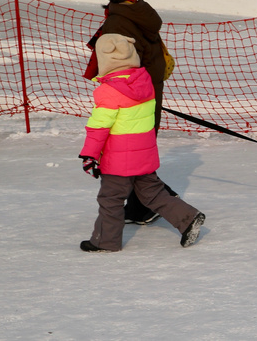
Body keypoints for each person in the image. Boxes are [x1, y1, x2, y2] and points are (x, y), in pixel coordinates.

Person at [79, 34, 204, 252]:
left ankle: (105, 242)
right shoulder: (143, 80)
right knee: (153, 193)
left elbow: (98, 127)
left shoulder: (109, 91)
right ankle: (188, 218)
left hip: (118, 159)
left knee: (111, 199)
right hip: (144, 154)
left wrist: (89, 155)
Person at [86, 0, 177, 226]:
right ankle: (147, 205)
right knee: (138, 148)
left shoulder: (119, 20)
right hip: (145, 90)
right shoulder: (136, 11)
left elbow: (123, 64)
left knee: (126, 150)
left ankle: (154, 204)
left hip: (130, 94)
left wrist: (116, 92)